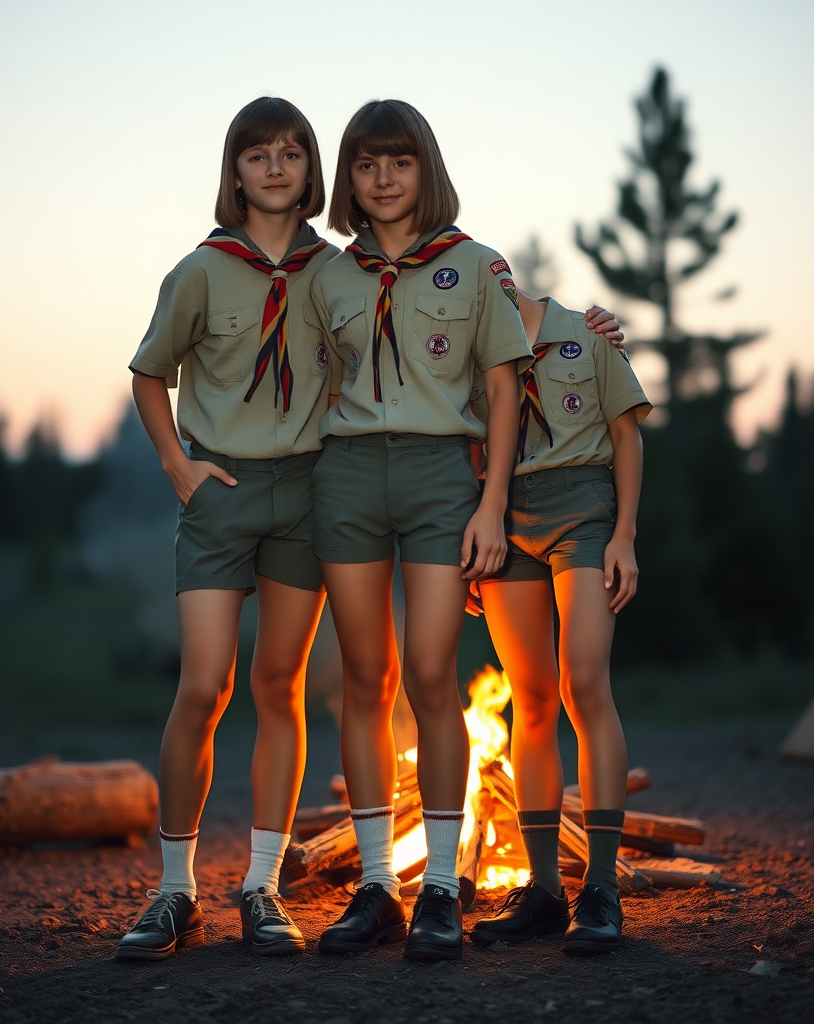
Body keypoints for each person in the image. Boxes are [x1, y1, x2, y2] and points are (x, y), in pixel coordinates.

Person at [308, 97, 537, 962]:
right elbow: (306, 383)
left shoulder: (475, 265)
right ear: (350, 181)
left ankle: (441, 884)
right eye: (366, 165)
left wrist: (493, 504)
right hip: (351, 476)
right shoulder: (327, 277)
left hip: (447, 476)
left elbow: (508, 390)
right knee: (366, 677)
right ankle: (377, 887)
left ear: (425, 169)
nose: (383, 179)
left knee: (434, 674)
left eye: (399, 162)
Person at [115, 97, 337, 961]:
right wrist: (179, 467)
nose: (275, 167)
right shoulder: (201, 270)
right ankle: (175, 893)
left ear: (311, 169)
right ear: (234, 169)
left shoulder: (340, 271)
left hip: (309, 494)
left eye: (291, 152)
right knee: (204, 685)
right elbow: (148, 376)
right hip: (223, 489)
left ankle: (262, 887)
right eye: (258, 153)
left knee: (280, 686)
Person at [468, 288, 651, 955]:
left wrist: (624, 535)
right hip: (507, 516)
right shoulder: (474, 350)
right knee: (532, 700)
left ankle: (600, 888)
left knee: (584, 685)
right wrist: (477, 533)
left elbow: (626, 433)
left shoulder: (588, 335)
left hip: (583, 509)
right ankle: (544, 891)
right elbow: (468, 447)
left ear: (510, 286)